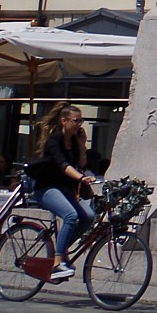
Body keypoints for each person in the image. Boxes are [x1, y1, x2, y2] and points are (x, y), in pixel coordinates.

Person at [26, 102, 100, 283]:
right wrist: (82, 178)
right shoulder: (54, 140)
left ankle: (62, 248)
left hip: (65, 189)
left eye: (81, 120)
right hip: (47, 188)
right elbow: (63, 165)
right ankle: (57, 262)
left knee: (89, 216)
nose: (79, 124)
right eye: (76, 120)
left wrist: (82, 146)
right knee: (71, 215)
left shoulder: (74, 142)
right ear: (64, 121)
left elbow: (81, 164)